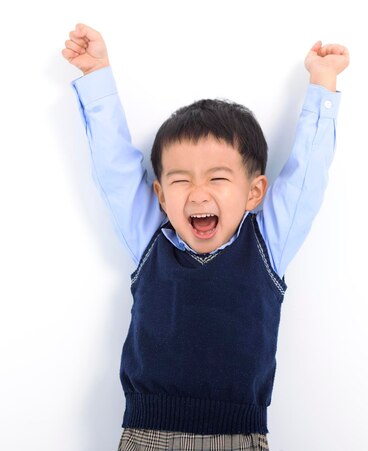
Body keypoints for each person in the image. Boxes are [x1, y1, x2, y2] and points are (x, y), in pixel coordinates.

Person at [62, 23, 349, 451]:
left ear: (254, 192)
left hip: (239, 438)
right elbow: (115, 171)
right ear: (159, 194)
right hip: (147, 436)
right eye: (180, 180)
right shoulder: (151, 238)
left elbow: (306, 178)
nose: (198, 193)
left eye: (217, 178)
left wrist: (323, 84)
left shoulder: (266, 243)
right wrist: (96, 74)